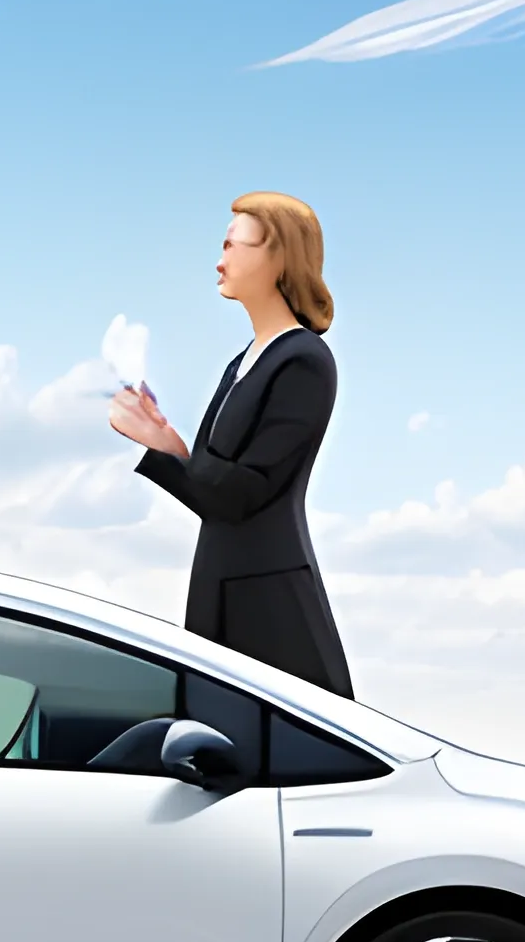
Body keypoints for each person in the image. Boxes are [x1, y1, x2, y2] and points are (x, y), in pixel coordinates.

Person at [107, 191, 351, 697]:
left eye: (233, 245)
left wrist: (159, 444)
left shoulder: (303, 361)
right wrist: (167, 441)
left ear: (278, 258)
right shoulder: (240, 363)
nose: (220, 261)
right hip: (219, 585)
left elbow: (242, 493)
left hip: (269, 602)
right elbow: (212, 484)